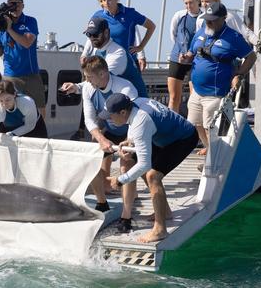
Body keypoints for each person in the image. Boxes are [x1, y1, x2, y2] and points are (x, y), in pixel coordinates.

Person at [103, 93, 198, 242]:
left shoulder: (141, 120)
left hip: (184, 139)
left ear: (122, 112)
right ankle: (165, 211)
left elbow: (144, 164)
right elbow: (134, 125)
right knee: (137, 163)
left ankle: (160, 229)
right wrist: (129, 141)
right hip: (164, 136)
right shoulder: (133, 104)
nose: (109, 119)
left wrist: (120, 180)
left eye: (110, 116)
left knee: (152, 176)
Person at [59, 56, 138, 212]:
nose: (86, 81)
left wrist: (128, 142)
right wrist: (102, 140)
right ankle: (102, 203)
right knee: (92, 163)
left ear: (102, 74)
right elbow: (89, 120)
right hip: (109, 130)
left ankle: (126, 213)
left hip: (130, 132)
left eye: (89, 77)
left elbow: (135, 120)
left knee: (126, 169)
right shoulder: (88, 88)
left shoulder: (125, 88)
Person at [179, 2, 257, 157]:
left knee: (213, 127)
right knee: (195, 123)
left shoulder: (233, 37)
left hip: (215, 93)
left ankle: (215, 159)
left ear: (223, 19)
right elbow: (191, 52)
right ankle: (211, 152)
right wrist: (186, 58)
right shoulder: (201, 31)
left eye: (213, 19)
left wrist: (239, 73)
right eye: (207, 19)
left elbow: (251, 56)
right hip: (197, 91)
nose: (209, 22)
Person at [0, 0, 47, 117]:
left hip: (31, 75)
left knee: (39, 109)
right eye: (11, 4)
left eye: (17, 4)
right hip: (11, 76)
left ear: (23, 6)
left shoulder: (30, 21)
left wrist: (9, 29)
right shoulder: (1, 27)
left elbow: (27, 43)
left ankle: (40, 132)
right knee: (9, 108)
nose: (14, 7)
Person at [0, 80, 48, 178]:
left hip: (35, 127)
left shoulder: (27, 102)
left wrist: (12, 134)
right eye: (1, 101)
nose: (4, 104)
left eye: (8, 99)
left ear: (14, 95)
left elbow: (30, 126)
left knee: (39, 157)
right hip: (10, 126)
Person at [90, 0, 156, 72]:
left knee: (135, 86)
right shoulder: (98, 16)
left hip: (128, 63)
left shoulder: (130, 13)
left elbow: (151, 26)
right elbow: (91, 37)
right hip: (106, 63)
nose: (106, 3)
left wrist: (140, 47)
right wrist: (85, 54)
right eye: (103, 0)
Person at [80, 16, 148, 97]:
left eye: (95, 34)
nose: (91, 38)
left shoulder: (118, 53)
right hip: (120, 102)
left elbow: (101, 77)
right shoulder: (96, 51)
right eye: (89, 34)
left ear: (106, 33)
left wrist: (77, 87)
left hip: (136, 103)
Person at [167, 0, 201, 113]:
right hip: (178, 59)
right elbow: (173, 35)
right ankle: (172, 126)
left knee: (194, 99)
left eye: (191, 2)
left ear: (198, 1)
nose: (188, 6)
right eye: (186, 3)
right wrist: (181, 50)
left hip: (196, 62)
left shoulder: (203, 18)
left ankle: (193, 128)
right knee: (174, 97)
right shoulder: (179, 15)